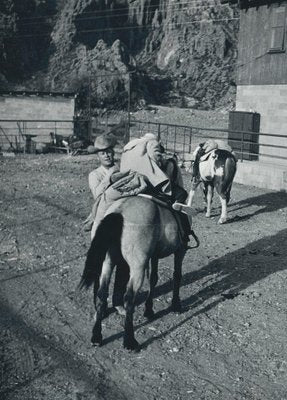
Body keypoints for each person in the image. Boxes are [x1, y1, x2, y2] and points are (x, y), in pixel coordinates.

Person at [84, 134, 127, 316]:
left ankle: (118, 301)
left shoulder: (123, 169)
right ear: (98, 156)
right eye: (103, 153)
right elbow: (97, 195)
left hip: (121, 219)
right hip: (102, 220)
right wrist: (111, 175)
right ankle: (100, 304)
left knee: (124, 262)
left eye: (109, 152)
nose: (107, 156)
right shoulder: (95, 174)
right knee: (100, 264)